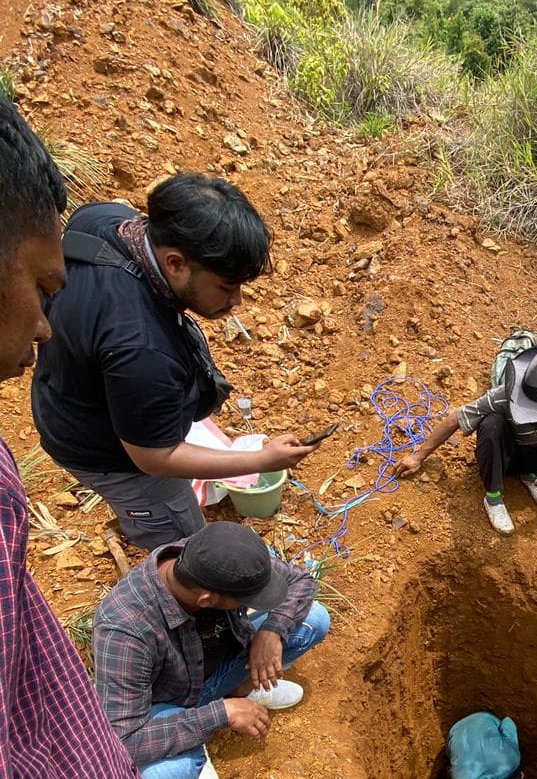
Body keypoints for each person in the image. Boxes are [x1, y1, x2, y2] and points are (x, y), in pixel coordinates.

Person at [0, 96, 279, 779]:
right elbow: (126, 736)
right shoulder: (128, 622)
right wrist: (220, 712)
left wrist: (263, 640)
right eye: (35, 289)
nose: (43, 326)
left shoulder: (111, 245)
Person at [31, 173, 320, 550]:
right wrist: (261, 460)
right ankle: (168, 570)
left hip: (64, 393)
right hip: (109, 456)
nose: (236, 303)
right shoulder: (143, 349)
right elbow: (156, 457)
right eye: (227, 287)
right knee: (182, 546)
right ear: (175, 263)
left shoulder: (103, 221)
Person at [93, 520, 328, 779]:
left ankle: (241, 688)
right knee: (171, 778)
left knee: (313, 620)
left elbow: (300, 580)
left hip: (220, 665)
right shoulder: (125, 631)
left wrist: (272, 630)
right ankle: (198, 733)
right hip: (172, 700)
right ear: (205, 599)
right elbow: (124, 739)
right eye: (248, 599)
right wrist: (220, 714)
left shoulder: (213, 556)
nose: (256, 602)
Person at [391, 337, 537, 535]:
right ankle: (493, 498)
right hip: (502, 455)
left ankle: (531, 476)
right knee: (492, 423)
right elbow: (456, 418)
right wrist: (418, 457)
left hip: (536, 452)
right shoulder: (504, 396)